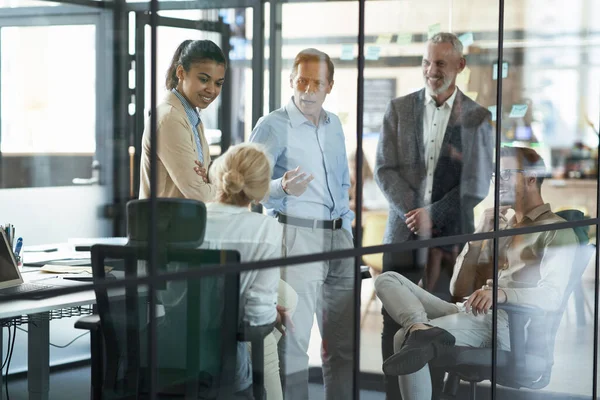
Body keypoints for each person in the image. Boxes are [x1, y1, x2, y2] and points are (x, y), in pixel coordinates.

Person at [374, 146, 578, 400]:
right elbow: (458, 289)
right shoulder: (500, 227)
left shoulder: (556, 230)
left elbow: (553, 296)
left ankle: (417, 333)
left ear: (531, 178)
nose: (498, 182)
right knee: (387, 279)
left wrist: (501, 294)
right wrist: (479, 235)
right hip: (472, 311)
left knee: (402, 337)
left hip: (505, 325)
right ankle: (420, 328)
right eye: (496, 176)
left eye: (505, 175)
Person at [374, 32, 494, 398]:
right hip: (402, 231)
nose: (431, 70)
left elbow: (476, 183)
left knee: (442, 322)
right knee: (392, 319)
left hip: (450, 237)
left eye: (440, 63)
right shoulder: (399, 108)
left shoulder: (478, 118)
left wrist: (433, 215)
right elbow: (383, 168)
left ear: (460, 66)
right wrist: (413, 211)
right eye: (427, 62)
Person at [249, 48, 355, 400]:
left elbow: (342, 182)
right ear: (291, 81)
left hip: (340, 238)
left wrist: (347, 224)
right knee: (293, 347)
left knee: (342, 345)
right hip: (296, 236)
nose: (308, 90)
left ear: (330, 86)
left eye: (317, 83)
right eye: (302, 81)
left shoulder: (335, 124)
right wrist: (281, 187)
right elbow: (249, 184)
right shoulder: (272, 125)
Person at [164, 143, 295, 399]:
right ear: (260, 192)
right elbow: (255, 320)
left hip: (165, 357)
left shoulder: (186, 220)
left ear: (218, 175)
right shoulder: (264, 230)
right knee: (272, 325)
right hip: (222, 371)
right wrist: (274, 317)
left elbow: (167, 297)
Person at [139, 39, 226, 201]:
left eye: (218, 83)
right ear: (180, 73)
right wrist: (229, 187)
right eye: (204, 79)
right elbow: (199, 194)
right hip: (167, 224)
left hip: (185, 222)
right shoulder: (170, 118)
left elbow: (205, 180)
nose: (212, 90)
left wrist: (209, 178)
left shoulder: (191, 117)